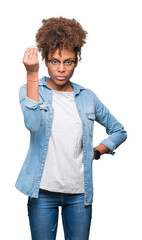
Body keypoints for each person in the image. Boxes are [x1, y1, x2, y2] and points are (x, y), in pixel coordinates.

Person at [15, 17, 127, 240]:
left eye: (68, 62)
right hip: (42, 193)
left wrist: (97, 151)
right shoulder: (31, 88)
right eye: (54, 61)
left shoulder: (87, 97)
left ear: (76, 62)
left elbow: (119, 130)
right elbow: (32, 124)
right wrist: (31, 75)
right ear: (45, 61)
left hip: (79, 194)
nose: (61, 69)